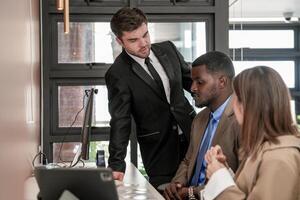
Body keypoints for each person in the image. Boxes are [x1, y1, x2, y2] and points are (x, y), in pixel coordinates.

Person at [105, 7, 196, 188]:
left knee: (198, 191)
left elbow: (193, 84)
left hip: (192, 135)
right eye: (133, 40)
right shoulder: (118, 73)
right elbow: (120, 120)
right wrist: (116, 163)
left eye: (145, 35)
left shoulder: (168, 49)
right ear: (119, 41)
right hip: (159, 151)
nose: (144, 43)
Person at [203, 66, 300, 200]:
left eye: (234, 99)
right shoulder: (267, 149)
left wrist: (219, 178)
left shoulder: (278, 159)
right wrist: (224, 173)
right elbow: (250, 192)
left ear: (245, 106)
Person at [164, 51, 240, 199]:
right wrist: (177, 184)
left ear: (222, 82)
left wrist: (192, 192)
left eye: (200, 82)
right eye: (192, 81)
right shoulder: (200, 118)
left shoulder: (242, 120)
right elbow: (188, 160)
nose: (192, 88)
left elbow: (240, 180)